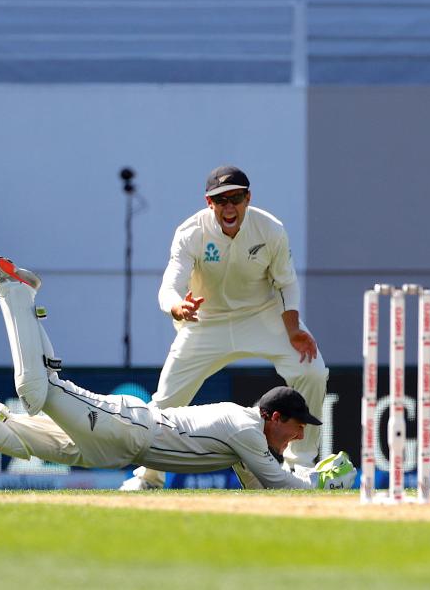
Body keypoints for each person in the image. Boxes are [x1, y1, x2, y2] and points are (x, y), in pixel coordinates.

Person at [0, 254, 356, 490]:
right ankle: (16, 293)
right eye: (298, 428)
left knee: (14, 441)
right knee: (33, 392)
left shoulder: (247, 444)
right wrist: (322, 484)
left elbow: (264, 488)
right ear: (275, 417)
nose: (298, 437)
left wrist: (308, 483)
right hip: (124, 424)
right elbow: (280, 485)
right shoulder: (245, 428)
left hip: (112, 448)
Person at [120, 165, 329, 490]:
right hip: (206, 321)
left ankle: (301, 466)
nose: (229, 207)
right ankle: (150, 477)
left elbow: (286, 283)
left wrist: (292, 330)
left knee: (313, 371)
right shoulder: (191, 233)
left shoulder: (270, 229)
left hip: (263, 316)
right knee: (164, 402)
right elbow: (169, 285)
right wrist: (178, 307)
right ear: (209, 203)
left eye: (236, 198)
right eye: (221, 200)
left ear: (248, 198)